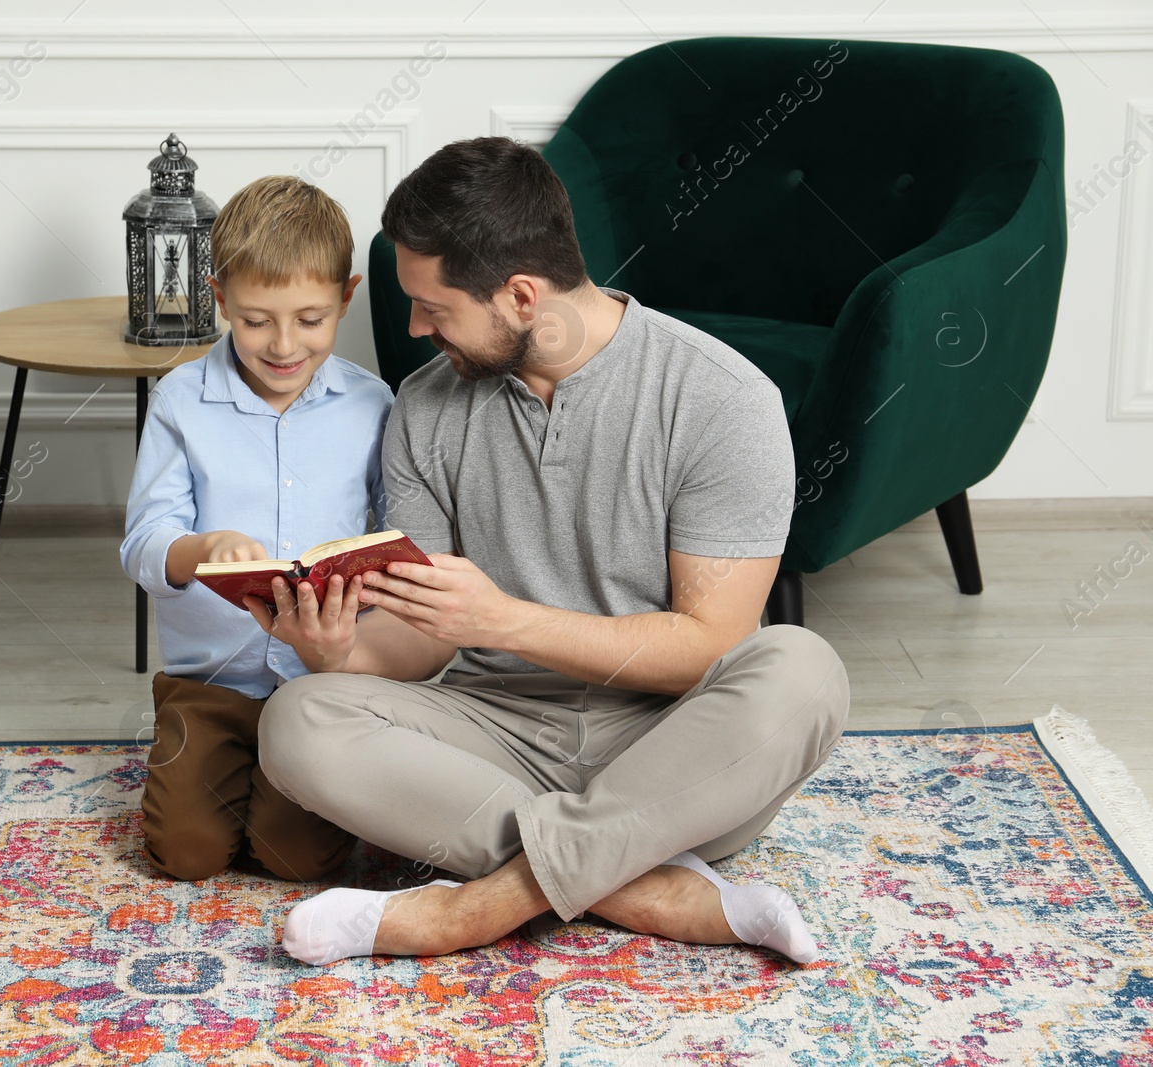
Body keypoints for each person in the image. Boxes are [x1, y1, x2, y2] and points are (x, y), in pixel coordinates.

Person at [252, 137, 850, 965]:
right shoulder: (425, 409)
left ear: (521, 294)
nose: (417, 329)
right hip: (494, 732)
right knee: (299, 720)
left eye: (435, 307)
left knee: (804, 670)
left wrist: (504, 620)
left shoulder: (724, 401)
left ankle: (469, 910)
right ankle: (650, 881)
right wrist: (337, 648)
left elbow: (706, 648)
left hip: (673, 741)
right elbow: (428, 638)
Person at [120, 175, 393, 883]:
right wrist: (200, 549)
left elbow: (396, 535)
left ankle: (275, 792)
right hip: (208, 686)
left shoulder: (374, 404)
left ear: (346, 296)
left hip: (321, 682)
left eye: (309, 319)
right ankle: (214, 773)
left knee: (293, 858)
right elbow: (143, 541)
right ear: (217, 297)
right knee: (186, 855)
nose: (281, 344)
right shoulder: (181, 400)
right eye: (254, 319)